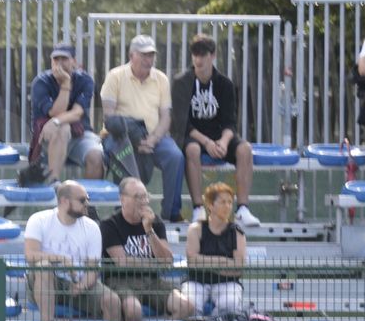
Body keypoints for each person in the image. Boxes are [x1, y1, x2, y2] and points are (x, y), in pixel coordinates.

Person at [171, 34, 261, 227]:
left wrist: (223, 142)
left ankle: (243, 209)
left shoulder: (225, 84)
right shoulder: (181, 82)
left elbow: (230, 123)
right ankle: (198, 208)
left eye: (203, 54)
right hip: (193, 137)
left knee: (244, 149)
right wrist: (207, 142)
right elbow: (181, 123)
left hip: (219, 137)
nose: (198, 59)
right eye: (195, 54)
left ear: (213, 56)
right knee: (192, 150)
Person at [99, 34, 185, 222]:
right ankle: (122, 213)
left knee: (175, 157)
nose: (149, 59)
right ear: (132, 56)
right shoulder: (115, 76)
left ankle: (171, 212)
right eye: (144, 55)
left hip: (154, 136)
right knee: (121, 154)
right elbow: (109, 115)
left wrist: (153, 139)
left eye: (151, 55)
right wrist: (136, 138)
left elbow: (165, 117)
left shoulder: (161, 79)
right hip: (120, 136)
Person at [23, 181, 121, 321]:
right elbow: (30, 255)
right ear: (64, 201)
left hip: (79, 283)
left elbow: (93, 268)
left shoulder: (92, 227)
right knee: (44, 268)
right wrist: (61, 259)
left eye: (88, 199)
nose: (87, 203)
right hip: (46, 281)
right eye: (82, 200)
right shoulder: (38, 220)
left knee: (112, 301)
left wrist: (82, 286)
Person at [100, 177, 193, 321]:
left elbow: (167, 261)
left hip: (152, 281)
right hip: (121, 282)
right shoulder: (109, 224)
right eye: (138, 197)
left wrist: (149, 230)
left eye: (145, 196)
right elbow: (122, 263)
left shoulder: (154, 222)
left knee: (186, 306)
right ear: (122, 199)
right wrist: (155, 263)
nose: (144, 201)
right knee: (133, 310)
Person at [29, 43, 105, 181]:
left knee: (96, 156)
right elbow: (55, 112)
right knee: (62, 128)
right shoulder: (41, 82)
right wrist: (65, 84)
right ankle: (55, 183)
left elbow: (77, 113)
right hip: (47, 138)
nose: (59, 63)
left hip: (80, 135)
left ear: (74, 62)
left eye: (64, 59)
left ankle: (87, 201)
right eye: (55, 59)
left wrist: (56, 121)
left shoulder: (85, 80)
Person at [183, 182, 247, 315]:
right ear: (210, 205)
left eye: (230, 202)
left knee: (229, 305)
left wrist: (206, 264)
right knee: (189, 305)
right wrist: (223, 262)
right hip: (197, 281)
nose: (228, 206)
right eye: (223, 202)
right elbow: (192, 261)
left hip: (227, 283)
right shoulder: (196, 229)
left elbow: (238, 268)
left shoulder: (237, 233)